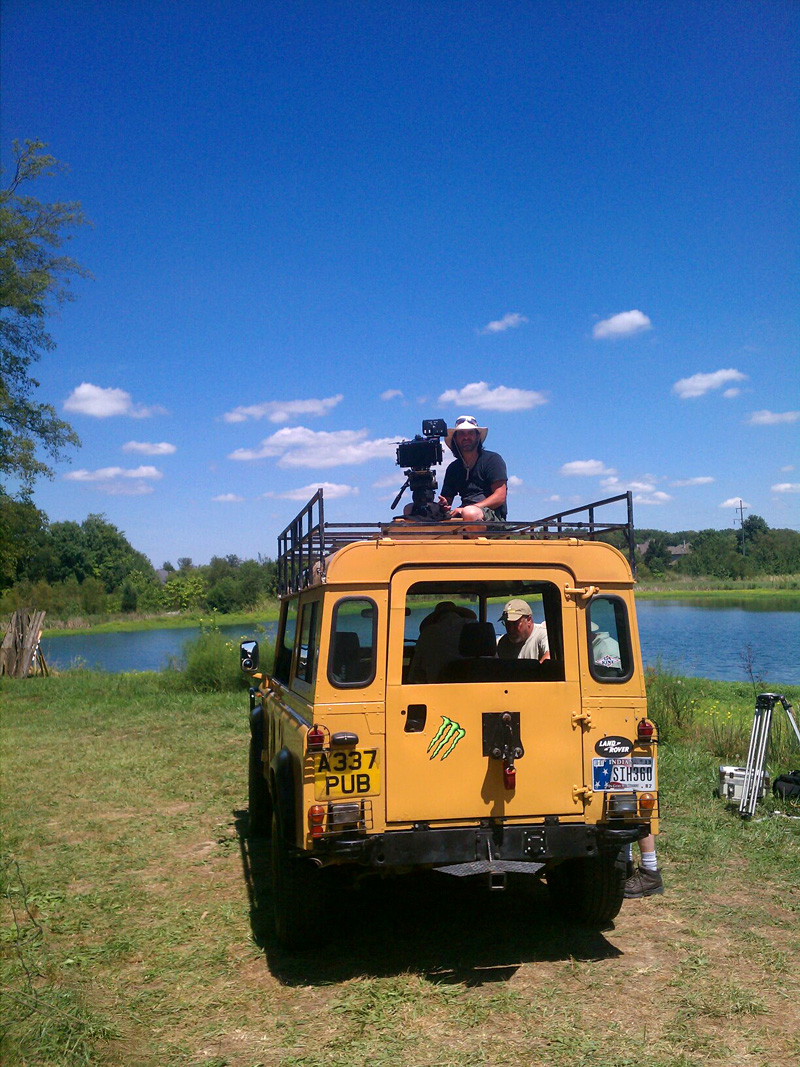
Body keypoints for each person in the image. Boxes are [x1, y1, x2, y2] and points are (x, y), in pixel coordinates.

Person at [438, 415, 508, 522]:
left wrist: (470, 508)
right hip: (465, 512)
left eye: (470, 433)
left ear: (478, 436)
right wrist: (443, 506)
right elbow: (447, 500)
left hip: (492, 515)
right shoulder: (453, 468)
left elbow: (500, 496)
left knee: (470, 513)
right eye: (461, 433)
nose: (466, 437)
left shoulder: (492, 460)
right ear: (455, 439)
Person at [408, 601, 477, 683]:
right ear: (457, 613)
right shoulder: (473, 625)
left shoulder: (428, 632)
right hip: (476, 681)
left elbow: (415, 674)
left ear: (436, 617)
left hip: (438, 686)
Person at [496, 599, 550, 663]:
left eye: (515, 623)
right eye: (507, 623)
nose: (511, 629)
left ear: (529, 620)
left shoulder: (543, 635)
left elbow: (550, 655)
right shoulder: (503, 642)